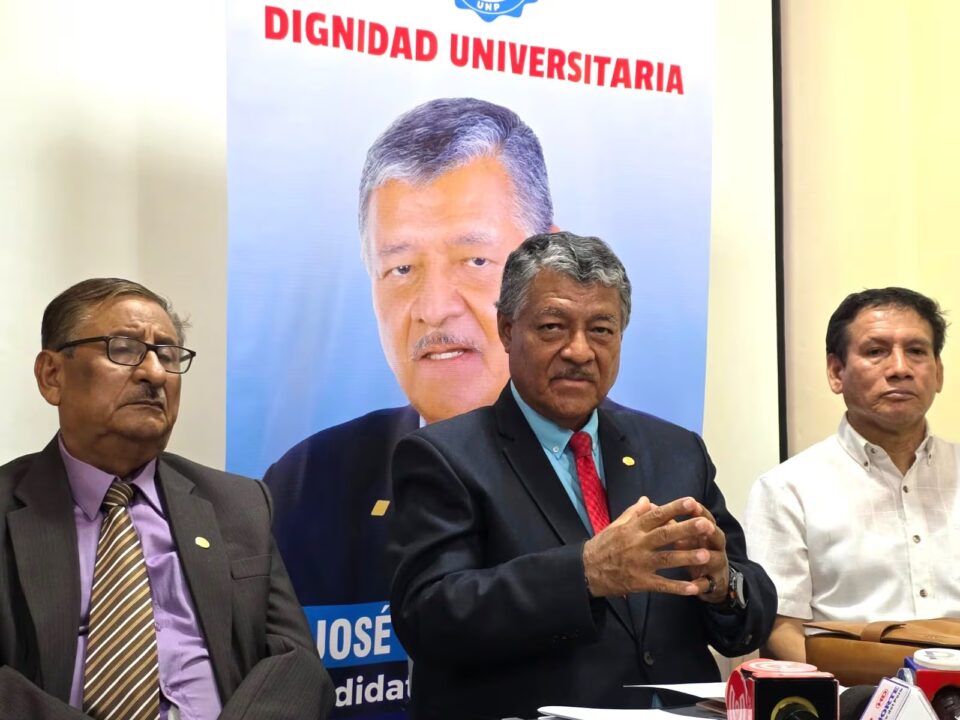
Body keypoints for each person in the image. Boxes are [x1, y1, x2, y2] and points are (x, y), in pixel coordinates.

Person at [389, 232, 776, 719]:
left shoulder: (675, 451)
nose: (579, 350)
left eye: (601, 330)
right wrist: (585, 572)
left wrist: (723, 583)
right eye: (553, 327)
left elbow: (750, 613)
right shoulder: (444, 456)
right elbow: (430, 617)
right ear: (507, 330)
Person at [0, 278, 334, 720]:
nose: (155, 373)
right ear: (52, 375)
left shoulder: (239, 504)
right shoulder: (9, 506)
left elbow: (297, 663)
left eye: (168, 355)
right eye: (123, 349)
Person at [744, 287, 960, 662]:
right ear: (836, 372)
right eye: (876, 352)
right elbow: (781, 629)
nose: (900, 368)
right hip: (853, 691)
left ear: (938, 373)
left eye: (916, 351)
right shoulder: (787, 490)